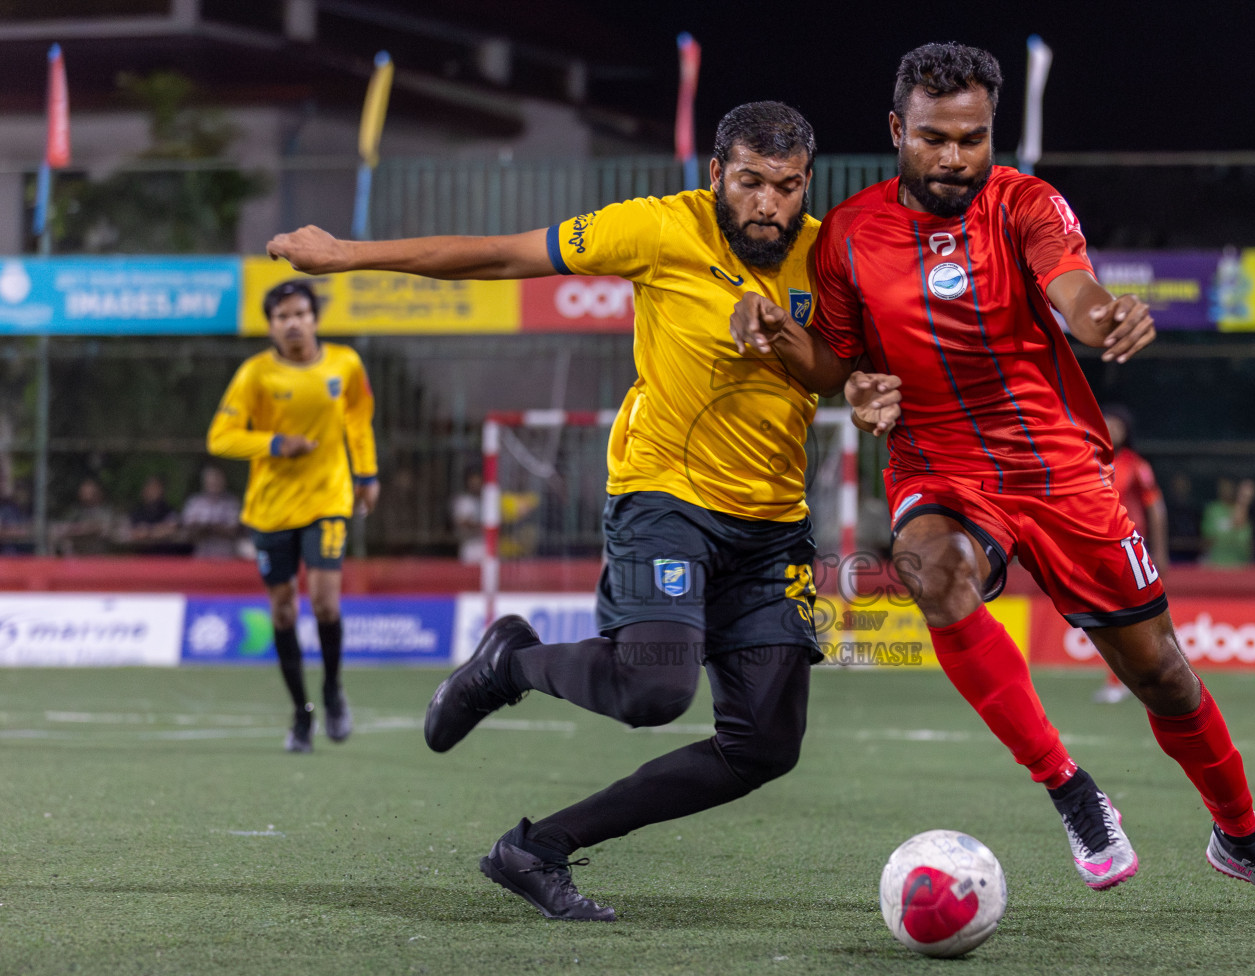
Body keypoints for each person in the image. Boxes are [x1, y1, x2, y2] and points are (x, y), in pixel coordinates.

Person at [732, 43, 1255, 917]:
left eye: (972, 138)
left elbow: (1076, 292)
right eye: (935, 138)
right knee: (931, 570)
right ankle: (1070, 790)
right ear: (898, 130)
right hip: (940, 462)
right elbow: (834, 365)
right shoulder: (851, 236)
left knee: (1161, 673)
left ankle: (1241, 837)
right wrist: (809, 359)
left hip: (1057, 469)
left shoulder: (1024, 203)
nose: (953, 157)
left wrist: (1108, 316)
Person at [267, 102, 829, 922]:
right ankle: (512, 663)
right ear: (717, 176)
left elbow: (848, 365)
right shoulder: (656, 228)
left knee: (766, 747)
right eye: (749, 182)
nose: (768, 205)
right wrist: (347, 255)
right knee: (653, 691)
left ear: (805, 183)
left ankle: (536, 848)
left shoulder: (831, 252)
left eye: (786, 187)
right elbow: (500, 256)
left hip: (773, 525)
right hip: (665, 495)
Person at [207, 280, 379, 752]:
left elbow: (359, 419)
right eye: (282, 317)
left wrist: (367, 474)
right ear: (271, 326)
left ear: (315, 318)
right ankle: (302, 712)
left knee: (325, 602)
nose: (293, 323)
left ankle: (332, 691)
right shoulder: (255, 375)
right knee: (283, 610)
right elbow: (221, 438)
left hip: (328, 501)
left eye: (301, 313)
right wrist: (276, 444)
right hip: (271, 508)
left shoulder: (344, 363)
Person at [1094, 405, 1167, 704]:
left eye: (1117, 426)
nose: (1111, 430)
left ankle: (1121, 680)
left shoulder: (1136, 465)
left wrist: (1160, 551)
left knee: (1123, 614)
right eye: (1107, 424)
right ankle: (1127, 676)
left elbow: (1156, 507)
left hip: (1129, 548)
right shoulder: (1089, 461)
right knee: (1108, 615)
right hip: (1097, 547)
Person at [182, 464, 245, 559]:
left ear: (224, 481)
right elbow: (187, 531)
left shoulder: (232, 503)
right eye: (211, 480)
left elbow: (234, 530)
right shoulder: (195, 502)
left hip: (226, 558)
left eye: (218, 479)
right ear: (204, 482)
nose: (215, 483)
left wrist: (208, 528)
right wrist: (214, 528)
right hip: (201, 557)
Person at [52, 477, 119, 556]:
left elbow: (101, 529)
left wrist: (80, 529)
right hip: (78, 552)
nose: (86, 495)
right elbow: (64, 526)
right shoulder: (76, 511)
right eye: (84, 492)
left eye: (90, 492)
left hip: (99, 553)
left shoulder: (106, 512)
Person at [125, 475, 185, 555]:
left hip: (166, 555)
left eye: (156, 488)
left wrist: (149, 531)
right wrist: (156, 530)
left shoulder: (169, 511)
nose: (152, 491)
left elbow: (172, 529)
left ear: (162, 490)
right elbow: (133, 533)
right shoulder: (137, 512)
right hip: (142, 555)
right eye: (150, 488)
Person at [1201, 477, 1254, 566]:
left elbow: (1247, 541)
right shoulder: (1213, 510)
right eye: (1223, 486)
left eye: (1230, 486)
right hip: (1216, 564)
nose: (1227, 489)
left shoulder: (1248, 511)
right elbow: (1208, 537)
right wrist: (1231, 525)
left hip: (1242, 565)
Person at [451, 469, 484, 565]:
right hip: (469, 546)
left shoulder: (488, 500)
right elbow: (462, 522)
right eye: (473, 483)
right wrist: (480, 526)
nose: (476, 485)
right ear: (468, 483)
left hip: (486, 545)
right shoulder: (463, 501)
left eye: (478, 482)